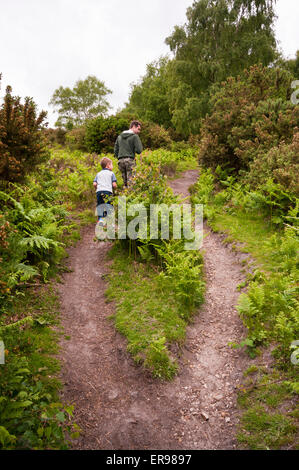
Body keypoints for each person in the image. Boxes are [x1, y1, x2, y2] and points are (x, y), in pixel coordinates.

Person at [114, 120, 143, 187]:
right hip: (130, 160)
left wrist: (119, 156)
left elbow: (115, 150)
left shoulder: (119, 136)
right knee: (131, 182)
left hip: (120, 161)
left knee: (125, 182)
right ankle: (131, 197)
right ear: (133, 127)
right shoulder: (135, 136)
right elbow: (139, 150)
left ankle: (125, 196)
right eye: (138, 129)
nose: (139, 131)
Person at [93, 157, 117, 226]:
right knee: (109, 206)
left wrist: (97, 188)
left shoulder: (98, 174)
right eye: (112, 164)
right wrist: (115, 189)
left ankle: (100, 219)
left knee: (100, 205)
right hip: (108, 192)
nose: (112, 166)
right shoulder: (111, 173)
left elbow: (94, 183)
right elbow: (114, 185)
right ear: (108, 165)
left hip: (99, 192)